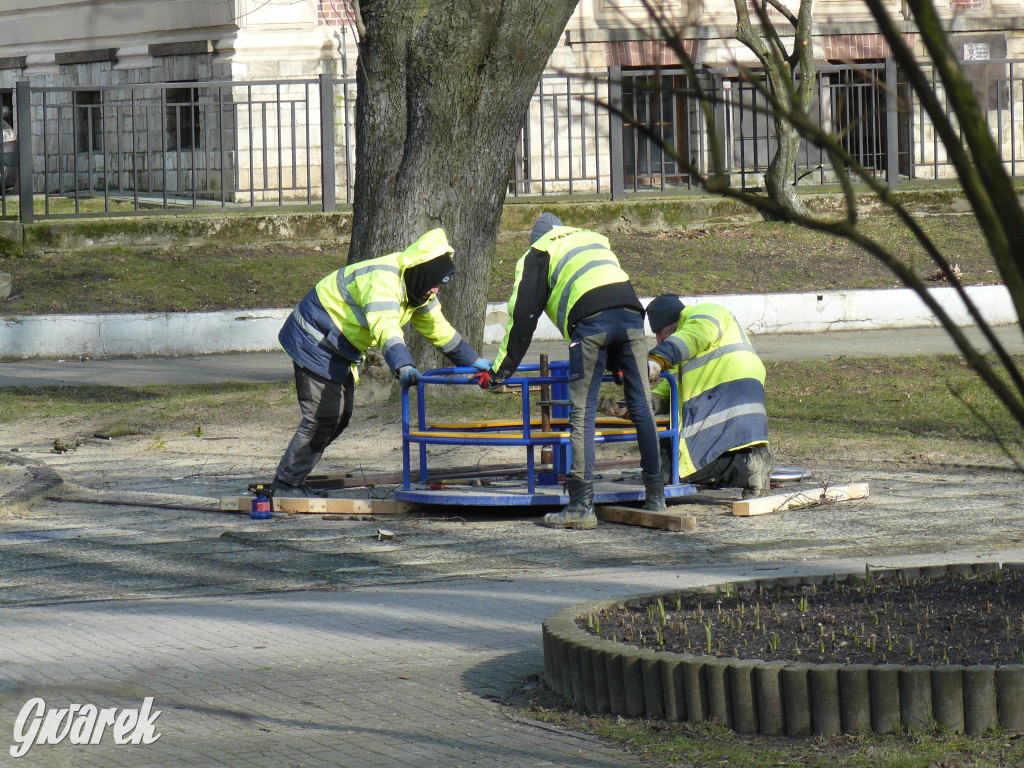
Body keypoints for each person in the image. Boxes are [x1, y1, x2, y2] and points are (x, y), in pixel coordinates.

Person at [474, 213, 664, 529]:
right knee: (642, 407)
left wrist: (499, 372)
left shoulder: (538, 252)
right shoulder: (593, 238)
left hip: (590, 322)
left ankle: (580, 507)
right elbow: (609, 293)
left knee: (583, 413)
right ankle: (657, 497)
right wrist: (618, 363)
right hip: (631, 314)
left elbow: (523, 318)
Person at [272, 228, 490, 497]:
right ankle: (286, 484)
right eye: (436, 281)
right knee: (322, 417)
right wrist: (403, 365)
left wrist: (473, 361)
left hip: (337, 347)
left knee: (339, 417)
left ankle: (294, 480)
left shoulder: (416, 289)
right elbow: (385, 326)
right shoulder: (383, 280)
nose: (436, 289)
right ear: (423, 273)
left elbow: (439, 329)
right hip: (312, 338)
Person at [645, 293, 773, 498]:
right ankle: (751, 466)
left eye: (660, 333)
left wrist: (659, 357)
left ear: (674, 323)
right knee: (668, 461)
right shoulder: (690, 347)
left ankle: (747, 467)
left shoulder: (703, 315)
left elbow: (692, 336)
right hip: (735, 397)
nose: (659, 340)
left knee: (675, 469)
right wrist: (644, 402)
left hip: (728, 395)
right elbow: (672, 389)